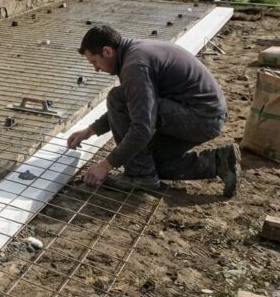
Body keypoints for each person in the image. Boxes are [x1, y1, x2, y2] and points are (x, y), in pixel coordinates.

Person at [66, 25, 240, 196]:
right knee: (149, 163)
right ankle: (220, 161)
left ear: (107, 51)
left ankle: (139, 176)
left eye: (94, 62)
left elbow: (142, 127)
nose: (96, 69)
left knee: (116, 97)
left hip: (202, 119)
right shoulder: (134, 52)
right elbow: (135, 102)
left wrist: (105, 166)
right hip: (204, 114)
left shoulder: (135, 66)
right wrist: (91, 130)